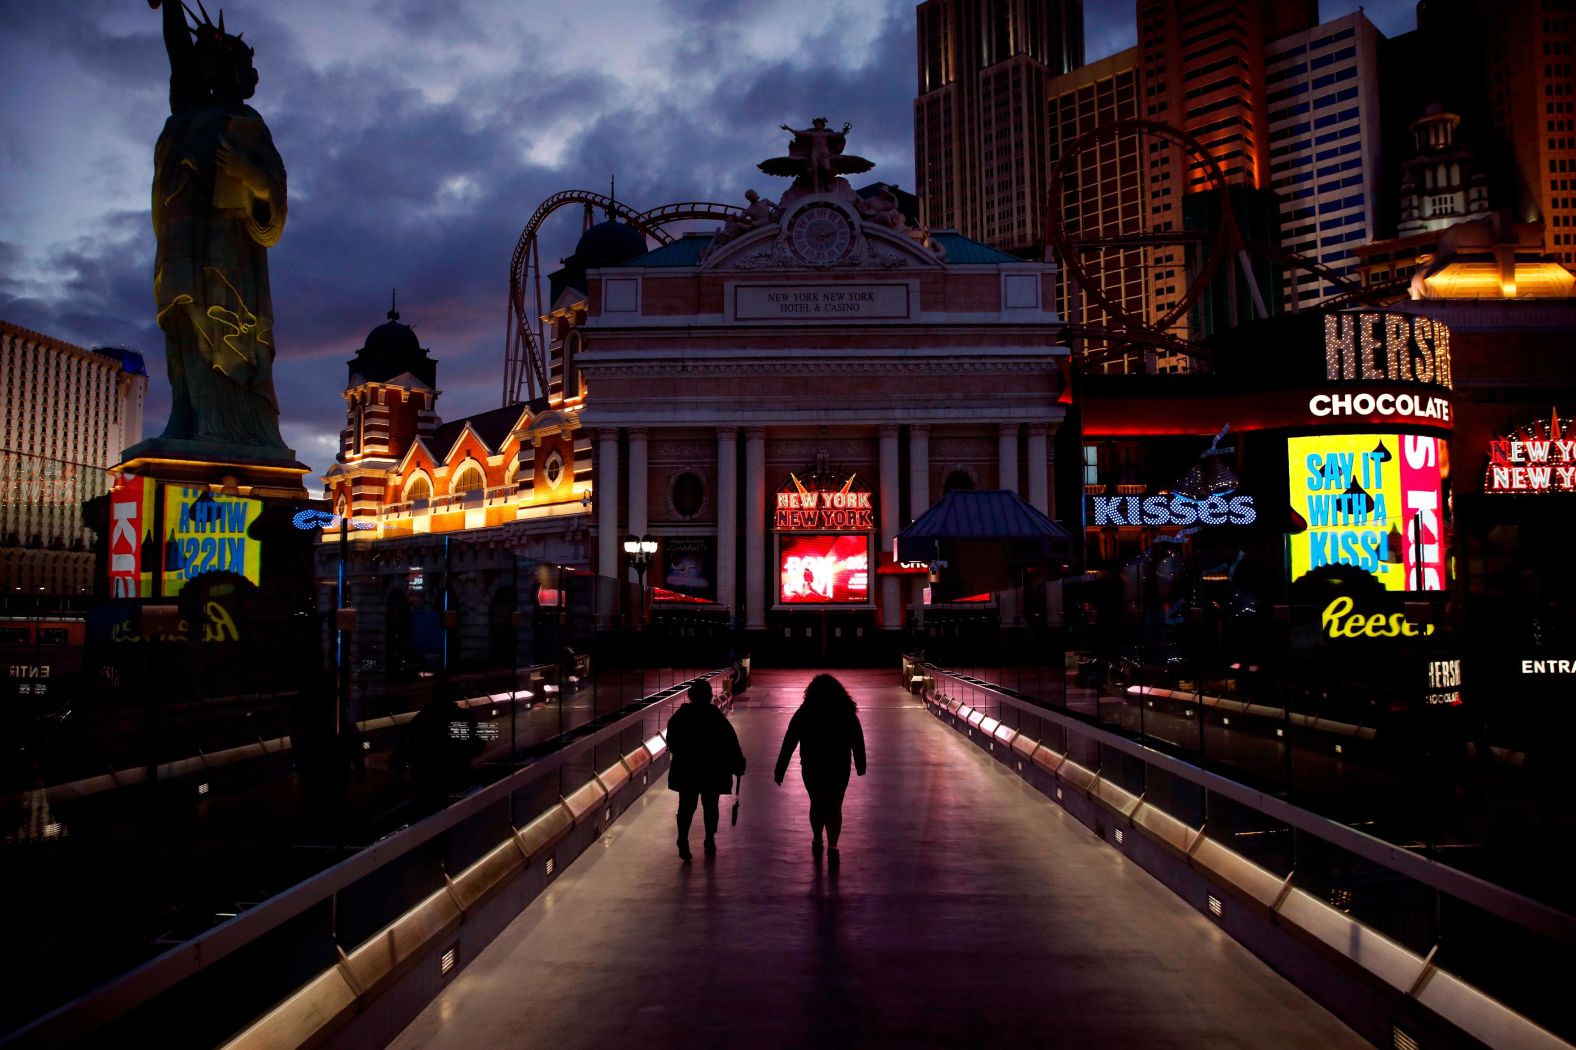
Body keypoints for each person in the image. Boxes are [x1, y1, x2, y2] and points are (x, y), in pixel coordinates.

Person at [150, 0, 291, 452]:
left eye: (212, 61)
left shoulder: (249, 124)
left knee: (227, 335)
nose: (202, 68)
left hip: (231, 250)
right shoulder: (188, 109)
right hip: (183, 243)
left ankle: (234, 427)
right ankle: (187, 416)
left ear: (231, 71)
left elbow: (274, 193)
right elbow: (176, 50)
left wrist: (248, 173)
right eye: (201, 62)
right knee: (185, 328)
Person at [773, 674, 866, 861]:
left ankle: (817, 838)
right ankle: (833, 845)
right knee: (834, 805)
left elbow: (790, 740)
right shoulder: (845, 711)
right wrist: (860, 764)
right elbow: (857, 739)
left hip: (812, 764)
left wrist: (780, 768)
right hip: (839, 765)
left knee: (816, 802)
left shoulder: (805, 711)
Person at [665, 679, 746, 861]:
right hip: (712, 769)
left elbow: (672, 740)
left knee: (686, 805)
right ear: (709, 696)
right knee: (710, 805)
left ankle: (683, 839)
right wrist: (738, 764)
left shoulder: (681, 716)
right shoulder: (716, 717)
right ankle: (709, 839)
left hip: (687, 769)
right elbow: (730, 743)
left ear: (691, 696)